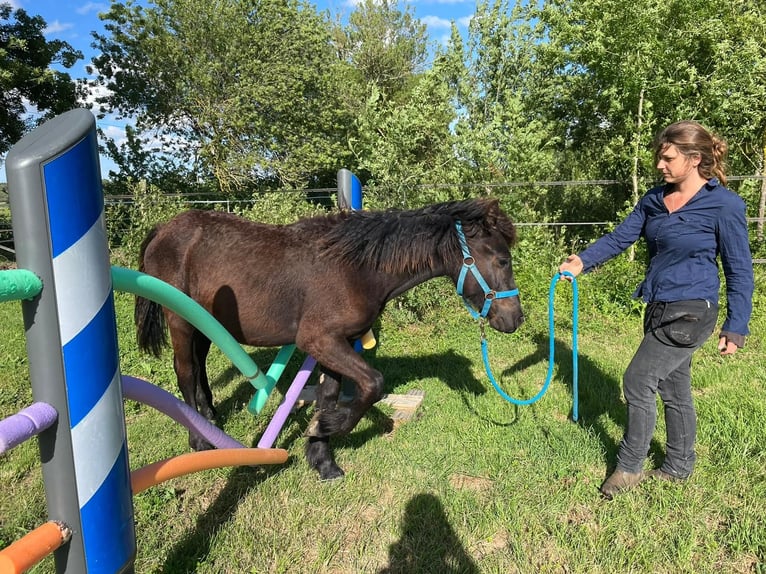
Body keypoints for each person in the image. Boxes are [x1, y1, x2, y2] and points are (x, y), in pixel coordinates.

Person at [559, 120, 754, 499]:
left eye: (667, 158)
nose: (660, 165)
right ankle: (679, 466)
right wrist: (582, 261)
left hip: (694, 309)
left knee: (637, 380)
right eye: (658, 158)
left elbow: (739, 268)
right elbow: (621, 237)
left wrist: (737, 325)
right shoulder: (654, 199)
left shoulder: (724, 205)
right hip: (659, 306)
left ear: (695, 159)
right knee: (673, 386)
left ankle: (629, 467)